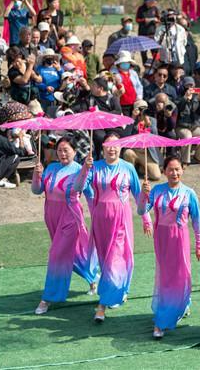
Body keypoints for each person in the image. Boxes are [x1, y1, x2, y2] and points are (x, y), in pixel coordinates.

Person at [74, 134, 150, 321]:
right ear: (103, 147)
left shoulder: (128, 168)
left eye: (116, 145)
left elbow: (138, 194)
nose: (112, 148)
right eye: (109, 145)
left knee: (117, 258)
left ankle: (103, 304)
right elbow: (78, 187)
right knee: (104, 259)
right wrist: (85, 168)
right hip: (100, 219)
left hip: (121, 220)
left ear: (121, 147)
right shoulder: (95, 167)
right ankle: (117, 289)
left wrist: (146, 218)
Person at [138, 156, 200, 339]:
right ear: (164, 171)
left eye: (177, 169)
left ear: (182, 170)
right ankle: (163, 318)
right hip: (161, 239)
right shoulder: (156, 190)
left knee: (182, 275)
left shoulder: (189, 193)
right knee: (165, 277)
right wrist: (143, 196)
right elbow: (142, 211)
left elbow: (197, 221)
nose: (174, 173)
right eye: (170, 169)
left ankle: (181, 304)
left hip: (180, 239)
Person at [32, 136, 99, 315]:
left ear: (75, 152)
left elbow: (89, 194)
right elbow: (37, 190)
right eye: (60, 150)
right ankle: (92, 278)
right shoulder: (51, 168)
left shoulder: (80, 169)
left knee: (56, 254)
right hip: (51, 216)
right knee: (73, 254)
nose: (62, 153)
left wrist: (97, 219)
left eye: (66, 150)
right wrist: (37, 174)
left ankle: (47, 298)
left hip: (70, 217)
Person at [175, 78, 200, 165]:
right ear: (183, 86)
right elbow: (177, 109)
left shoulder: (197, 98)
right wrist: (185, 98)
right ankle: (185, 160)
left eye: (191, 86)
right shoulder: (178, 97)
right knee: (187, 137)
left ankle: (198, 157)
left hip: (194, 126)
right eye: (187, 85)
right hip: (181, 126)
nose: (190, 88)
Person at [113, 51, 143, 117]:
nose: (125, 64)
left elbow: (139, 86)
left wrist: (139, 96)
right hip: (122, 103)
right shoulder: (114, 73)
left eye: (127, 63)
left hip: (134, 102)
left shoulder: (133, 73)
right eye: (123, 63)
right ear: (119, 64)